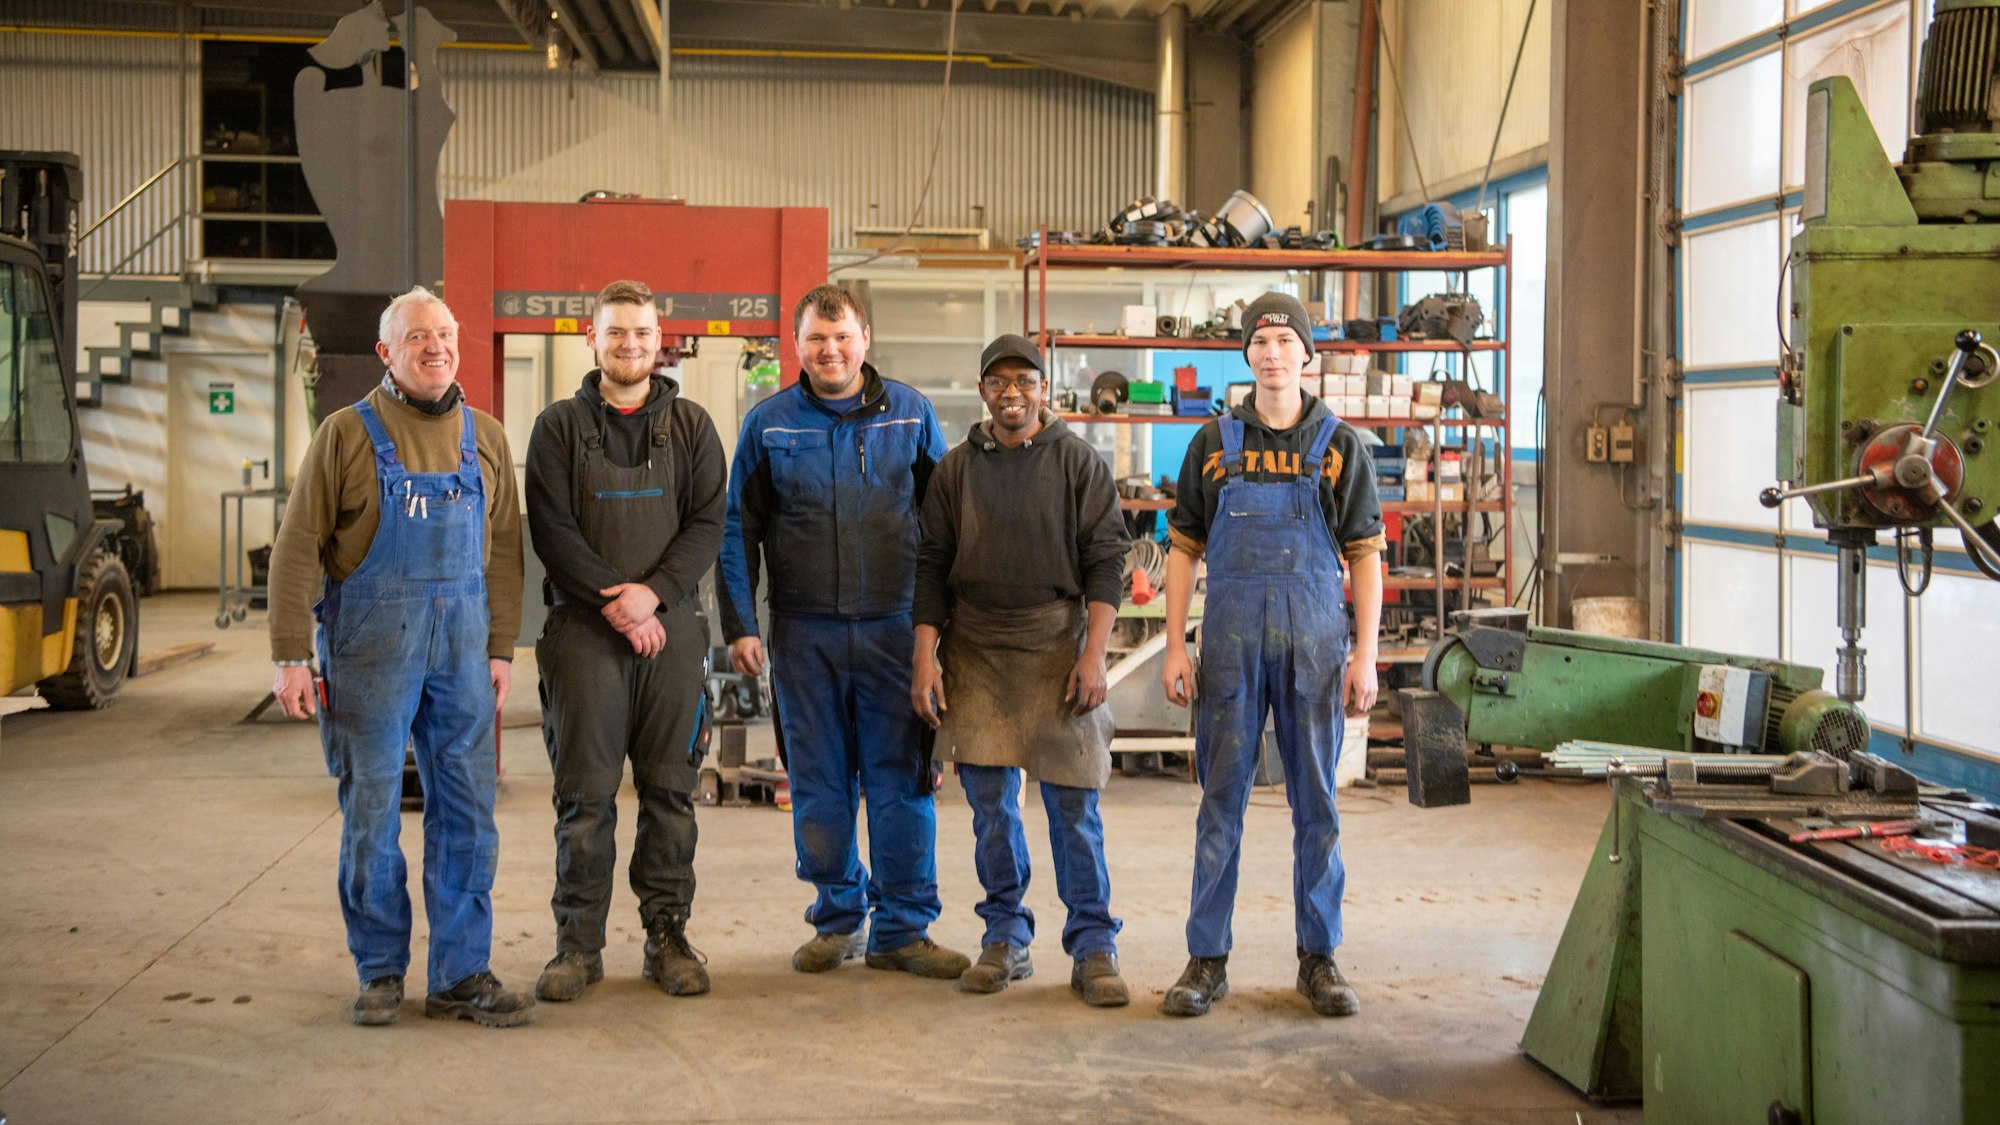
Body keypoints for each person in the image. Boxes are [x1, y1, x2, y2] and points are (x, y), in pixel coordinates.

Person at [267, 285, 532, 1028]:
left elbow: (506, 550)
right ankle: (380, 968)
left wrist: (501, 645)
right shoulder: (346, 434)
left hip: (463, 653)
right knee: (373, 809)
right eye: (417, 336)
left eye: (445, 332)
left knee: (468, 812)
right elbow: (296, 549)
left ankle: (460, 971)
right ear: (387, 352)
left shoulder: (488, 437)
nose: (435, 346)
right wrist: (291, 653)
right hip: (372, 652)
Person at [717, 284, 969, 981]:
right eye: (817, 338)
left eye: (843, 336)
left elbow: (946, 532)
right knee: (822, 788)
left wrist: (942, 634)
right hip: (805, 635)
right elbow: (738, 530)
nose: (831, 350)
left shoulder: (911, 416)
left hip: (895, 631)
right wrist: (740, 623)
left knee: (901, 787)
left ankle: (903, 928)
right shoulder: (769, 425)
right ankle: (837, 917)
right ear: (796, 345)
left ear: (865, 340)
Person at [1156, 291, 1386, 1019]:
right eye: (1261, 340)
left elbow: (1367, 558)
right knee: (1220, 800)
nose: (1273, 352)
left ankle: (1319, 958)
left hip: (1315, 644)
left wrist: (1367, 655)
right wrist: (1173, 645)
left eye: (1286, 339)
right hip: (1227, 643)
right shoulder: (1213, 443)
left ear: (1306, 353)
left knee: (1316, 801)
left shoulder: (1341, 445)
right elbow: (1184, 552)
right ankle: (1206, 958)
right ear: (1247, 354)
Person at [911, 334, 1131, 1007]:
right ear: (983, 392)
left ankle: (1093, 945)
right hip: (975, 647)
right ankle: (1005, 935)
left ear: (1045, 389)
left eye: (1024, 380)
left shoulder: (1078, 463)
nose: (1012, 392)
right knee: (991, 809)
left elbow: (1106, 561)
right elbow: (929, 567)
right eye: (998, 381)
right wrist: (925, 656)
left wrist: (1094, 652)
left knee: (1073, 807)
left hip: (1057, 643)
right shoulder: (954, 471)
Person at [524, 280, 727, 1003]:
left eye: (642, 333)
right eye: (617, 333)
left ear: (659, 337)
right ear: (591, 337)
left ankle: (667, 936)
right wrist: (617, 600)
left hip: (671, 634)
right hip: (584, 633)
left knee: (671, 792)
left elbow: (707, 524)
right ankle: (576, 945)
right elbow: (552, 530)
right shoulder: (555, 428)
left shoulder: (694, 427)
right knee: (585, 799)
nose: (630, 344)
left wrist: (653, 596)